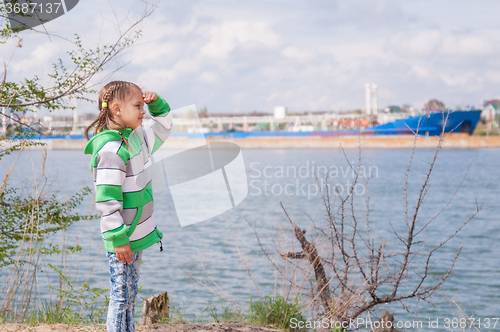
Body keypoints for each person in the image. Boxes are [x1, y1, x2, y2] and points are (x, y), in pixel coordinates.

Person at [84, 80, 173, 332]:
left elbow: (165, 126)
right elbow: (107, 200)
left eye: (143, 106)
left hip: (136, 235)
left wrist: (156, 103)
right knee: (121, 296)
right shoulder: (112, 150)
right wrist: (118, 237)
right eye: (138, 105)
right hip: (123, 238)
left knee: (130, 296)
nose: (143, 111)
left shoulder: (138, 139)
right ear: (117, 109)